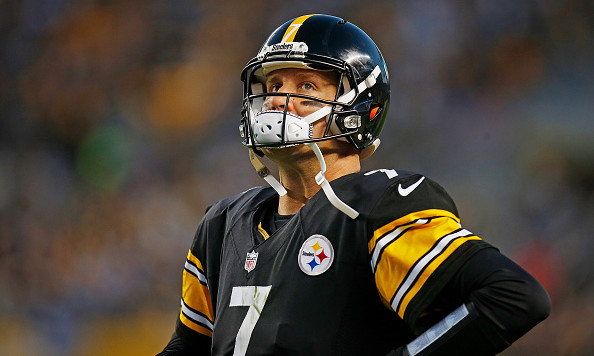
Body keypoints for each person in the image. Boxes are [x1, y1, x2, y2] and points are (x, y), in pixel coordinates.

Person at [157, 14, 550, 356]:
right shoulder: (224, 223)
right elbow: (190, 347)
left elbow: (513, 297)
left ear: (362, 108)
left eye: (306, 87)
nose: (279, 101)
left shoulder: (376, 206)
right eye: (274, 85)